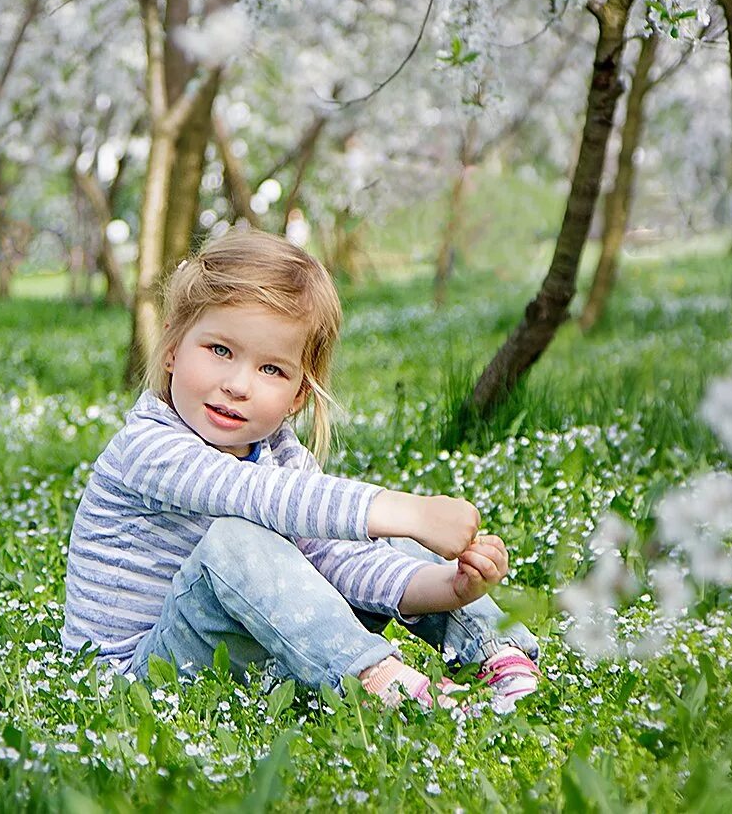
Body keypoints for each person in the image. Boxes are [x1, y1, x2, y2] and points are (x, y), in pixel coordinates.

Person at [62, 228, 540, 712]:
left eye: (272, 369)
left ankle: (497, 651)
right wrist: (408, 510)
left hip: (251, 650)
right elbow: (255, 496)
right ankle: (382, 684)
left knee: (367, 533)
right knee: (251, 535)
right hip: (141, 676)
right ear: (171, 349)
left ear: (298, 396)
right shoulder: (147, 446)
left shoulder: (278, 453)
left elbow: (339, 559)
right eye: (220, 350)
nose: (237, 385)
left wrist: (448, 587)